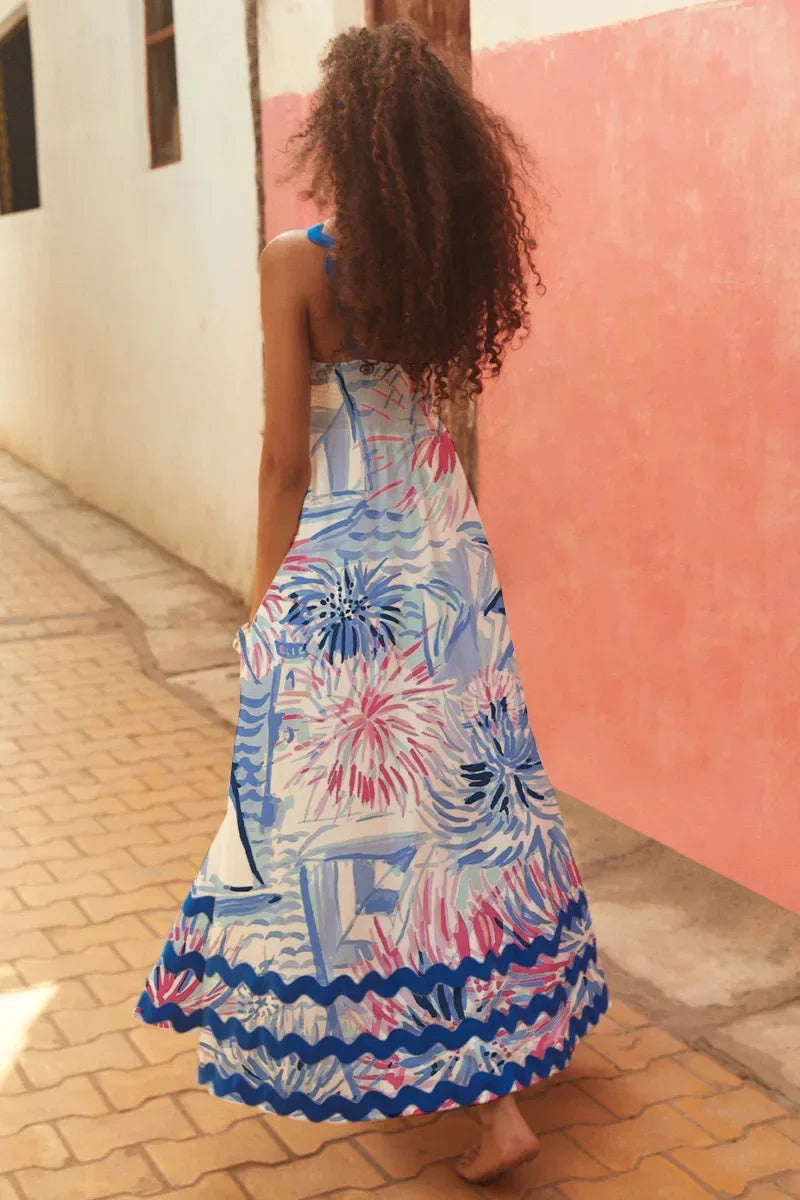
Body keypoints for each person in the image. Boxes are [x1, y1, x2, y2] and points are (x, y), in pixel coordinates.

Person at [135, 21, 609, 1185]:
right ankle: (506, 1046)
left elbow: (282, 459)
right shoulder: (434, 259)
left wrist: (263, 604)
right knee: (465, 792)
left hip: (344, 559)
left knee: (341, 818)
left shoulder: (296, 263)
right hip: (439, 544)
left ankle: (471, 1091)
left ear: (341, 137)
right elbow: (425, 410)